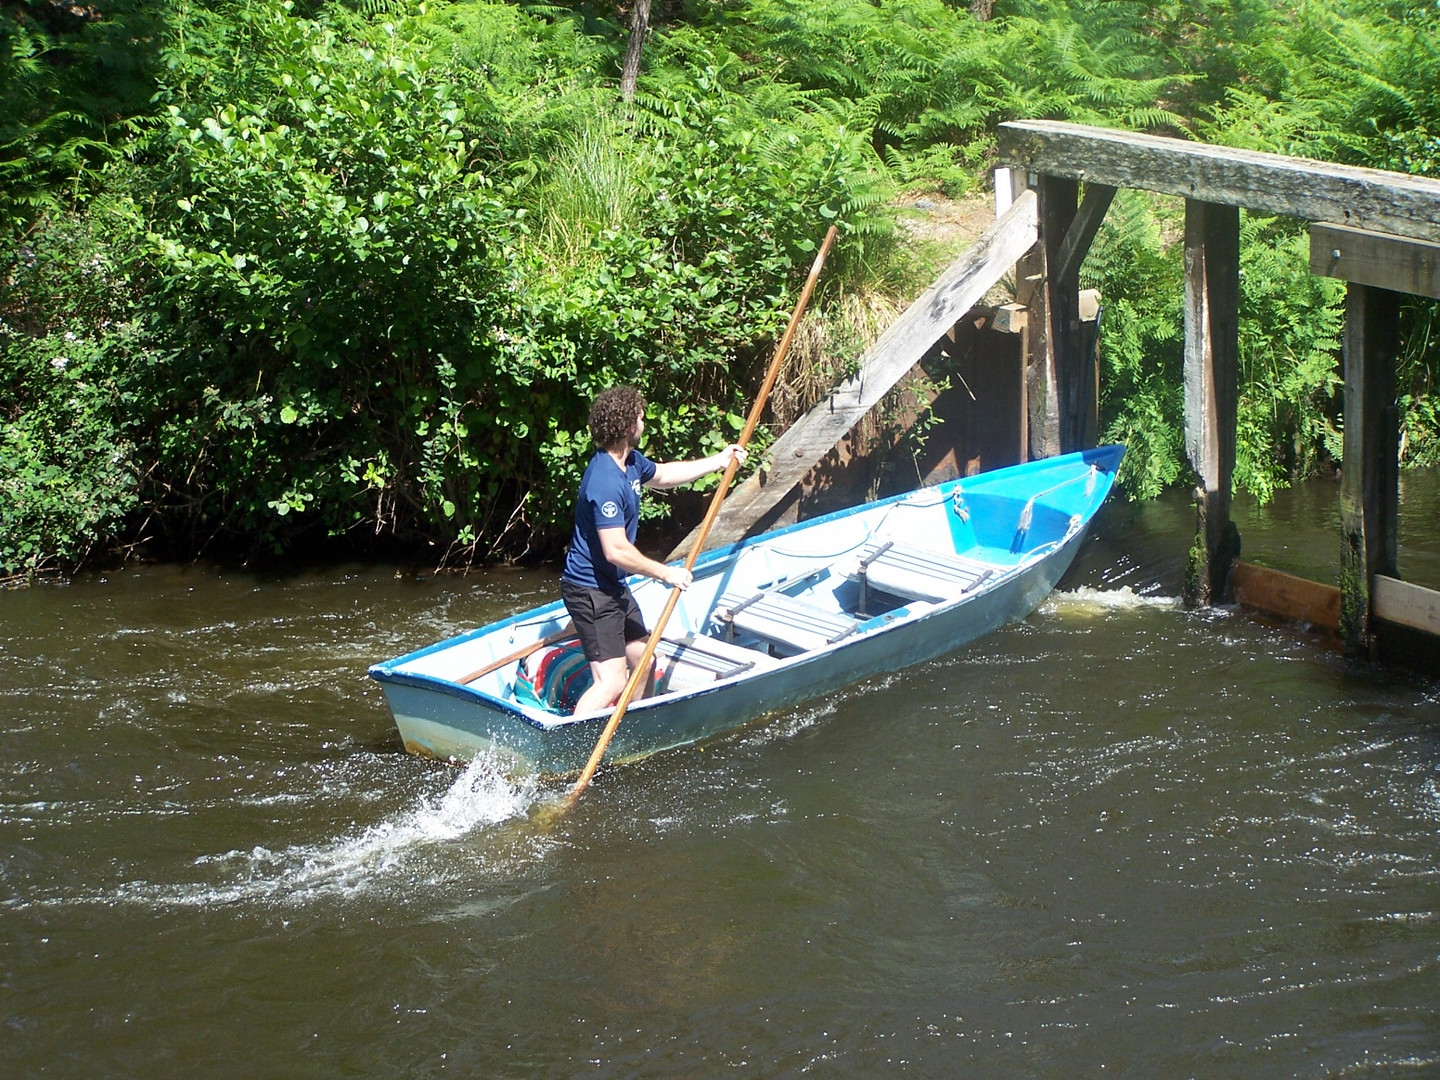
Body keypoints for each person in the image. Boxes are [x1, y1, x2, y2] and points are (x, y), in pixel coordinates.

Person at [560, 385, 746, 715]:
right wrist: (666, 573)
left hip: (612, 587)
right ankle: (571, 751)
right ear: (630, 425)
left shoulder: (630, 463)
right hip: (590, 590)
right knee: (611, 683)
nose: (646, 424)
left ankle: (629, 733)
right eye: (642, 418)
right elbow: (615, 550)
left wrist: (720, 461)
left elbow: (664, 474)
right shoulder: (604, 479)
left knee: (646, 660)